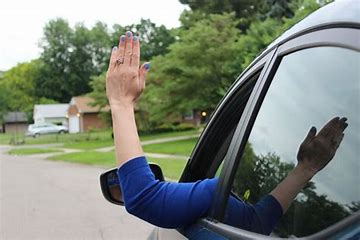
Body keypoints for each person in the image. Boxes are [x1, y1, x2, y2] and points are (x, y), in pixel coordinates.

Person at [106, 31, 348, 235]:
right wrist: (307, 167)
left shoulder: (215, 196)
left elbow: (143, 198)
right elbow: (259, 222)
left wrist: (120, 102)